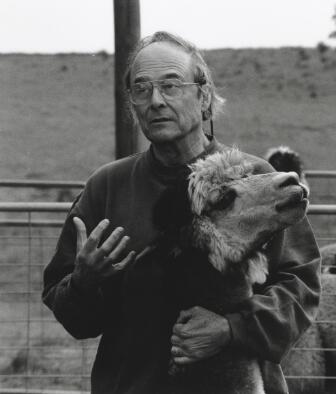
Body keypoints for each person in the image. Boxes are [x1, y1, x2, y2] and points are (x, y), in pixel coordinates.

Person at [42, 31, 321, 394]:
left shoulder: (257, 182)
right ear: (132, 105)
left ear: (204, 96)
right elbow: (72, 313)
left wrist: (230, 328)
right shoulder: (107, 187)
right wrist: (84, 281)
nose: (156, 100)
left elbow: (301, 288)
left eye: (171, 86)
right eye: (141, 89)